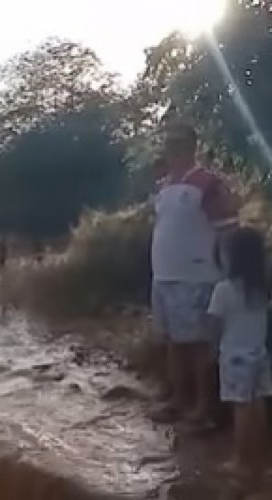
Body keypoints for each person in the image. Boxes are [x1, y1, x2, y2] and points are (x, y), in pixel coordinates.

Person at [150, 123, 240, 424]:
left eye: (178, 144)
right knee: (174, 342)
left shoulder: (209, 183)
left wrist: (232, 270)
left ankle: (205, 409)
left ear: (192, 146)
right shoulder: (164, 186)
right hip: (163, 276)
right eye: (169, 144)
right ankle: (179, 400)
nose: (172, 150)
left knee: (201, 344)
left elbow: (228, 229)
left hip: (198, 277)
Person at [207, 227, 270, 482]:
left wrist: (212, 348)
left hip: (234, 357)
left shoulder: (224, 290)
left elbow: (214, 324)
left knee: (241, 410)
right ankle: (262, 461)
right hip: (261, 355)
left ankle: (241, 461)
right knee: (259, 406)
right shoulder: (263, 288)